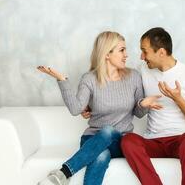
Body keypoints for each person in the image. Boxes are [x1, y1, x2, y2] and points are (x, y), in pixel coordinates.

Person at [37, 31, 162, 185]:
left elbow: (138, 113)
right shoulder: (89, 79)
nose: (126, 55)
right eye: (122, 50)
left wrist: (143, 105)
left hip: (120, 142)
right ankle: (61, 176)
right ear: (107, 54)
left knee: (109, 131)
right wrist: (62, 81)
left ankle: (63, 173)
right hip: (92, 139)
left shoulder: (134, 77)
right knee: (101, 155)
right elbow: (76, 109)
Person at [120, 27, 185, 185]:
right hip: (153, 141)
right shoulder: (143, 71)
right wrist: (91, 105)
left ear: (161, 52)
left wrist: (178, 99)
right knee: (128, 141)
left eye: (144, 51)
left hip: (181, 142)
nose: (141, 56)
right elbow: (118, 87)